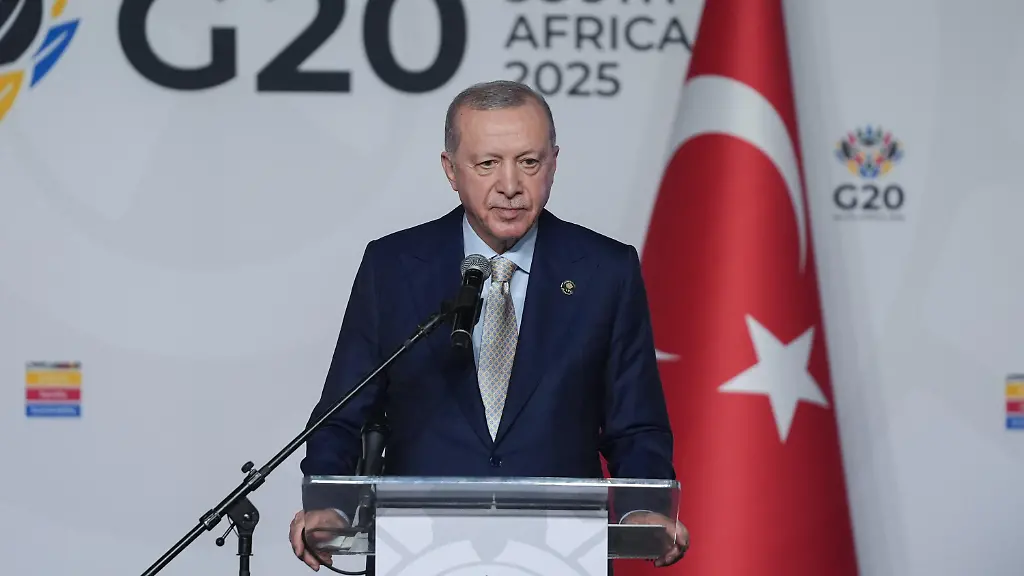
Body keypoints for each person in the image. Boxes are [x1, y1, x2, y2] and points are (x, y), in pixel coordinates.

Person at [289, 80, 689, 571]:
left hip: (560, 551)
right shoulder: (393, 265)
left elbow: (637, 424)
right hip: (418, 549)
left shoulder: (606, 270)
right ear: (450, 170)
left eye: (529, 161)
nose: (510, 185)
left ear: (554, 163)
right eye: (487, 163)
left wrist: (644, 508)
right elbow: (343, 412)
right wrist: (329, 502)